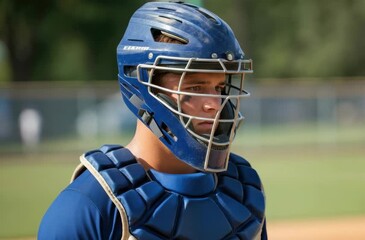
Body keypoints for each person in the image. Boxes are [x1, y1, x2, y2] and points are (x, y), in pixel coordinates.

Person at [38, 1, 267, 240]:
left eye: (219, 87)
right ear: (144, 88)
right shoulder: (89, 205)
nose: (215, 104)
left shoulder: (242, 196)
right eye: (196, 87)